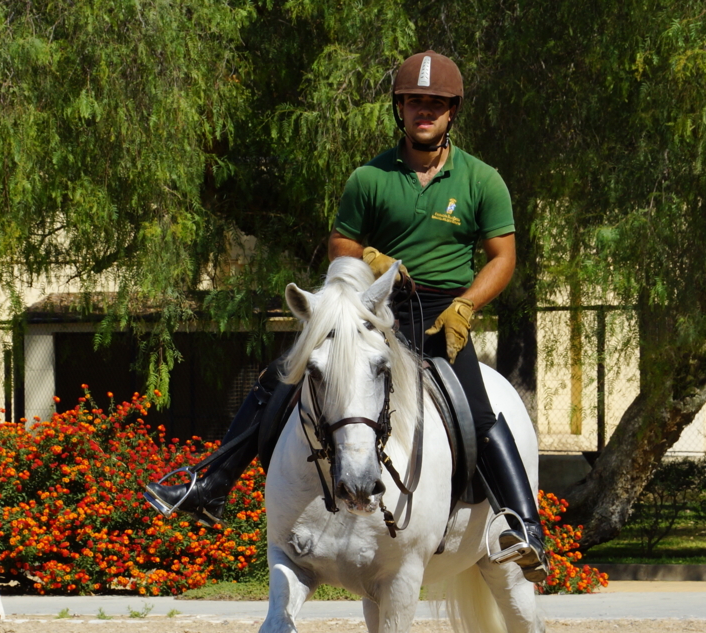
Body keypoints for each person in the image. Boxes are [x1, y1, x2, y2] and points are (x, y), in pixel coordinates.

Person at [143, 50, 548, 583]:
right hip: (374, 309)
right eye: (413, 103)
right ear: (399, 109)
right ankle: (210, 484)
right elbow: (341, 243)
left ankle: (525, 526)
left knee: (478, 412)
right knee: (284, 377)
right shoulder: (370, 177)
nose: (423, 112)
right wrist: (370, 259)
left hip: (443, 315)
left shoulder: (481, 180)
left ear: (453, 112)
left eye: (435, 104)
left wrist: (467, 305)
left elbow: (504, 257)